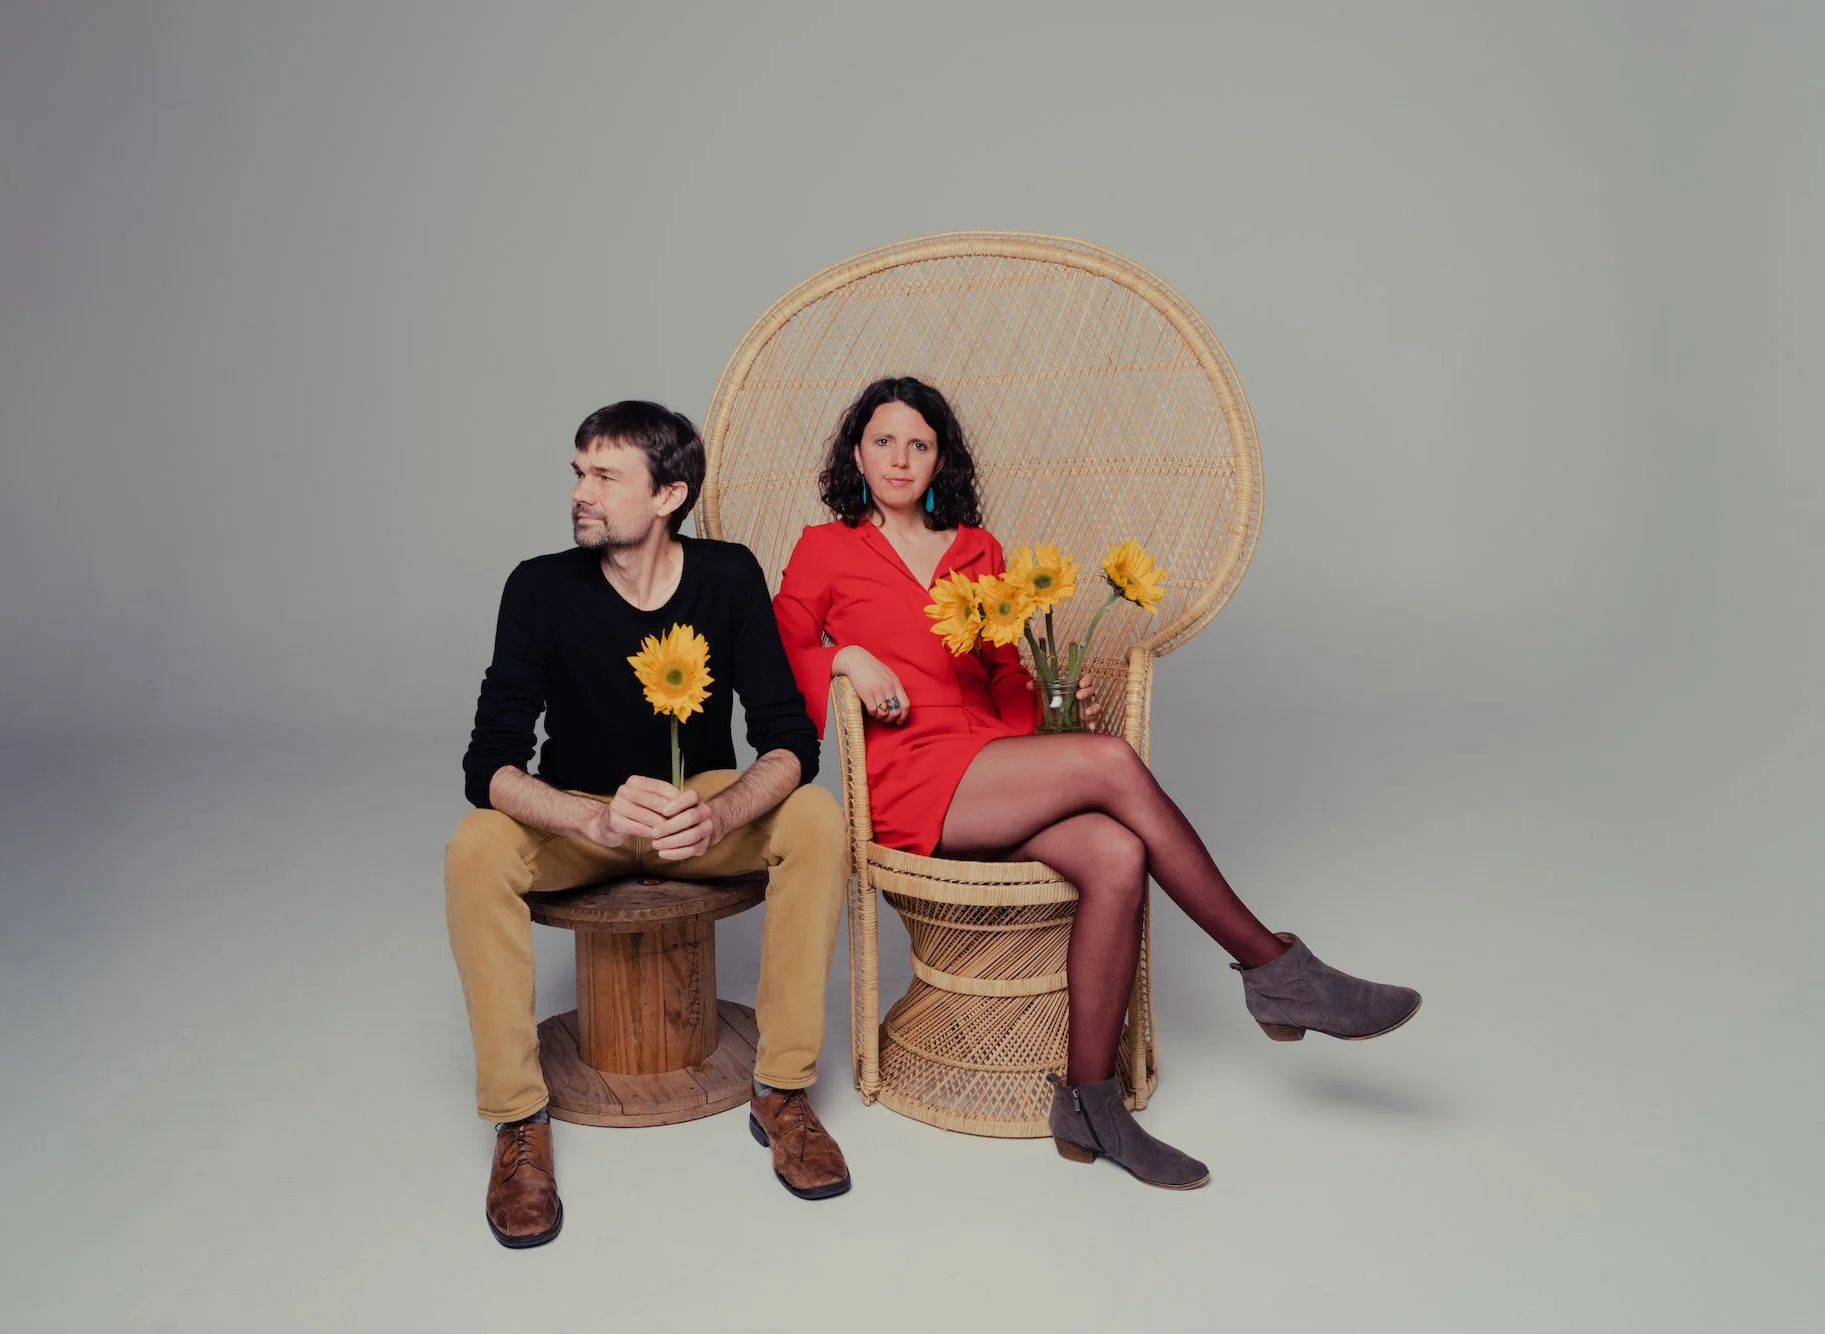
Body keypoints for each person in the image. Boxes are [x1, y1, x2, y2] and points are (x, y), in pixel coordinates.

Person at [772, 376, 1420, 1189]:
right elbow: (777, 657)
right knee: (1109, 762)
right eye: (883, 442)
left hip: (991, 764)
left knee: (1116, 854)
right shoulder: (825, 549)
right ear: (857, 453)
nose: (899, 458)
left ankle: (1087, 1105)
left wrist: (1053, 713)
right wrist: (846, 658)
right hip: (908, 778)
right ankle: (1274, 969)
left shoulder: (978, 550)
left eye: (918, 444)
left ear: (940, 460)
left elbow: (1002, 680)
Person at [447, 401, 851, 1248]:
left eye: (605, 476)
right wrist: (588, 818)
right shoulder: (538, 587)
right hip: (580, 817)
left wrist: (721, 811)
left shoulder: (728, 575)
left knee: (814, 818)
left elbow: (788, 741)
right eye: (578, 473)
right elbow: (488, 765)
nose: (580, 493)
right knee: (475, 848)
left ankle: (783, 1091)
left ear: (669, 495)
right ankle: (519, 1125)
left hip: (695, 811)